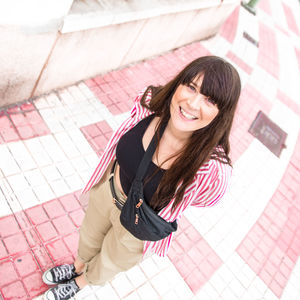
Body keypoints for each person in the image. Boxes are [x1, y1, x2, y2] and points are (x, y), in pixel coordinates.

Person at [42, 55, 241, 300]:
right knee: (88, 238)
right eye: (191, 87)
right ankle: (77, 267)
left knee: (110, 262)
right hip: (109, 190)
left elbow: (207, 198)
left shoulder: (211, 169)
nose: (192, 103)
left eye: (210, 100)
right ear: (179, 84)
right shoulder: (150, 104)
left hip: (138, 227)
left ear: (221, 114)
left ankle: (82, 282)